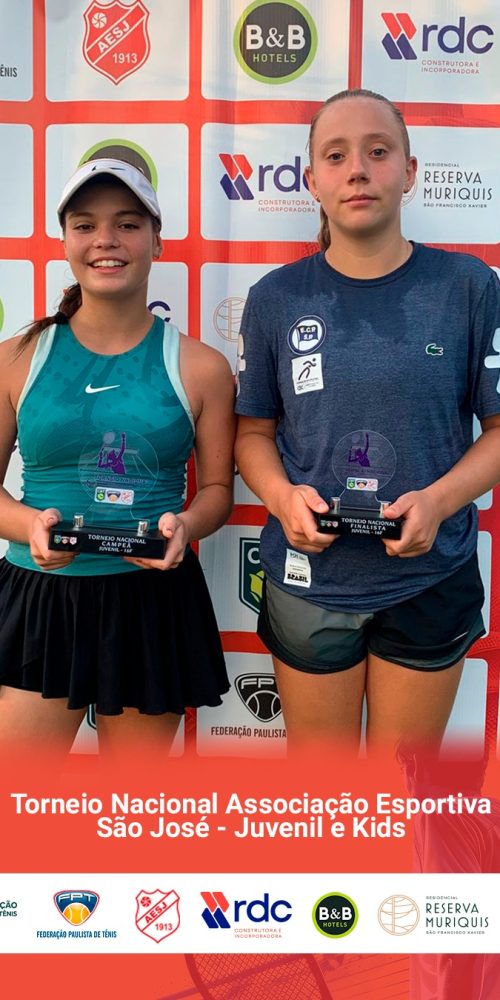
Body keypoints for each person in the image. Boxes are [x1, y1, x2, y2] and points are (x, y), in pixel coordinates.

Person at [234, 89, 500, 754]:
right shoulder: (275, 298)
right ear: (311, 180)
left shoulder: (470, 287)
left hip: (429, 576)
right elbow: (253, 433)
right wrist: (281, 498)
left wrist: (438, 502)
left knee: (400, 791)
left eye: (378, 152)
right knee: (323, 789)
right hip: (310, 578)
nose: (357, 169)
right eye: (336, 155)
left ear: (409, 172)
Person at [0, 156, 234, 757]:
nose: (106, 239)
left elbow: (216, 492)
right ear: (65, 241)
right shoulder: (15, 358)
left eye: (127, 224)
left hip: (149, 602)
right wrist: (30, 526)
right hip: (41, 597)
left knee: (129, 801)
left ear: (157, 240)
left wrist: (186, 525)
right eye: (86, 224)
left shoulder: (204, 368)